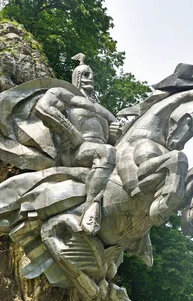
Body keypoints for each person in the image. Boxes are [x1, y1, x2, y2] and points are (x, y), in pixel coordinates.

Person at [35, 53, 121, 235]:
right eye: (86, 75)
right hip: (75, 152)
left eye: (93, 76)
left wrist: (116, 135)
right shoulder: (65, 95)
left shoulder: (105, 112)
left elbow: (112, 140)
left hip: (101, 152)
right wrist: (72, 135)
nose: (91, 79)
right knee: (106, 152)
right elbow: (43, 108)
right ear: (78, 78)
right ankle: (90, 208)